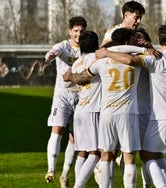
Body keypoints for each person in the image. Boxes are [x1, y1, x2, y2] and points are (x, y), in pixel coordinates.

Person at [95, 24, 166, 188]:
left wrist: (106, 52)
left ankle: (160, 186)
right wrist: (147, 48)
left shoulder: (152, 60)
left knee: (146, 155)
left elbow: (129, 59)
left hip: (153, 114)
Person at [64, 28, 146, 188]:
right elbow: (152, 55)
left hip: (106, 114)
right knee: (129, 158)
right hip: (128, 113)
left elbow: (80, 77)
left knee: (105, 156)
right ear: (128, 42)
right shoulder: (137, 60)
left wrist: (70, 76)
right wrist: (145, 47)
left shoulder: (100, 61)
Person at [44, 16, 87, 188]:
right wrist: (50, 56)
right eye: (75, 31)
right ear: (70, 31)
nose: (78, 34)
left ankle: (65, 174)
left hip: (82, 96)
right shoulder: (63, 46)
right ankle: (51, 169)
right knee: (57, 129)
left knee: (75, 138)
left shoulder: (88, 49)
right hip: (62, 95)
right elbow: (53, 51)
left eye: (81, 31)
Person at [64, 31, 101, 188]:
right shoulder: (97, 59)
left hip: (80, 110)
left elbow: (68, 82)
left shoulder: (76, 63)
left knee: (82, 153)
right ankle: (78, 186)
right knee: (96, 153)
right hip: (94, 109)